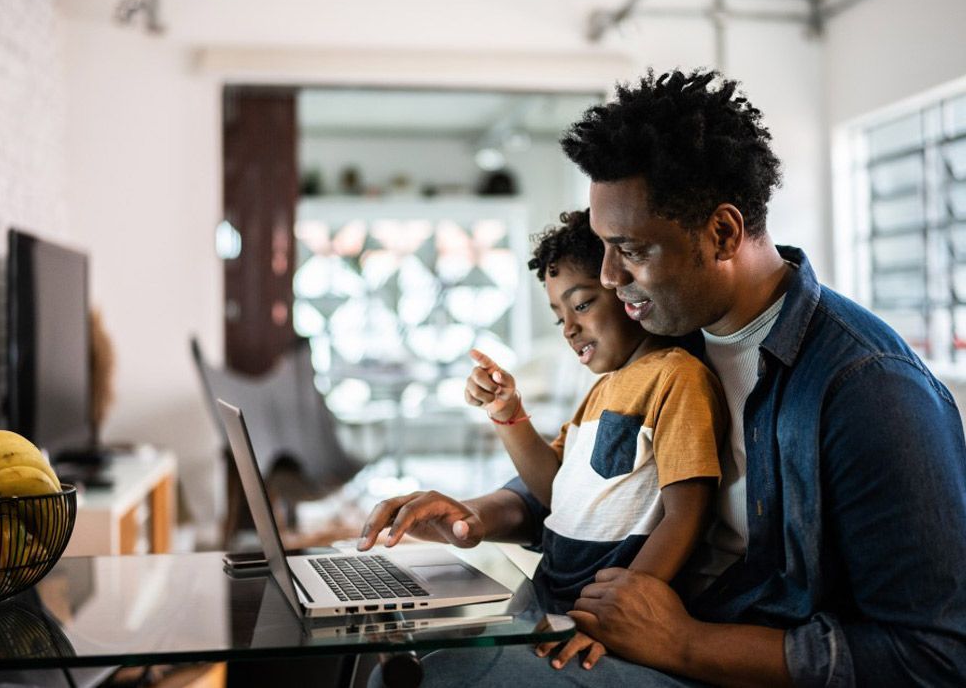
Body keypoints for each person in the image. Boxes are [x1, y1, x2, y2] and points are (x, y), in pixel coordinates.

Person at [361, 69, 966, 687]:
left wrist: (686, 644)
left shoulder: (870, 389)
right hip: (629, 630)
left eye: (632, 250)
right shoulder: (674, 328)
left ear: (723, 233)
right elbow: (591, 474)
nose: (609, 277)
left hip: (711, 660)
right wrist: (478, 515)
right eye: (603, 247)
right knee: (390, 662)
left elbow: (931, 657)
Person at [462, 208, 726, 666]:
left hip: (599, 625)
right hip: (549, 601)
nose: (568, 328)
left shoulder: (677, 377)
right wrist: (508, 414)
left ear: (627, 291)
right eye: (558, 315)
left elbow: (688, 513)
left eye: (582, 304)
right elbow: (554, 493)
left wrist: (616, 614)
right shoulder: (603, 389)